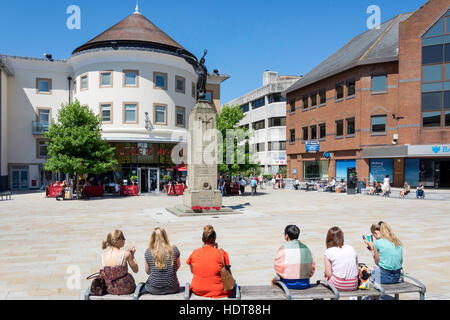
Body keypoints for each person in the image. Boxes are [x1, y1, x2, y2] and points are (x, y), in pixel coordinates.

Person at [186, 225, 234, 298]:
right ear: (214, 239)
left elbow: (193, 271)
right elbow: (229, 275)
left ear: (203, 239)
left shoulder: (195, 252)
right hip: (219, 291)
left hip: (198, 290)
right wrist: (217, 250)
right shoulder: (222, 253)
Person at [272, 225, 315, 289]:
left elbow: (277, 268)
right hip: (304, 283)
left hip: (287, 284)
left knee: (274, 280)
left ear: (286, 236)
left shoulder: (283, 248)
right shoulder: (306, 248)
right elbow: (312, 268)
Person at [143, 228, 180, 295]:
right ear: (165, 236)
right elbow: (177, 266)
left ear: (152, 238)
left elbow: (148, 271)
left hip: (153, 288)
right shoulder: (174, 249)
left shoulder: (148, 251)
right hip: (172, 287)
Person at [101, 230, 138, 295]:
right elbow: (136, 270)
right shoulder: (126, 254)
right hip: (126, 289)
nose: (125, 239)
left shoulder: (103, 256)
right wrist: (132, 255)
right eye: (123, 238)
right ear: (116, 242)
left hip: (111, 289)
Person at [324, 227, 359, 291]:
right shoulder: (351, 248)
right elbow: (357, 269)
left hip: (337, 284)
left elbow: (328, 273)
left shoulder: (328, 252)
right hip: (353, 284)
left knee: (325, 277)